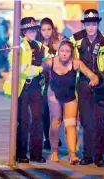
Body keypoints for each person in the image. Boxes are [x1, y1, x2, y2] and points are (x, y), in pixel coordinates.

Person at [70, 9, 104, 167]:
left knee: (100, 120)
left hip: (102, 85)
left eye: (93, 24)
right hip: (84, 84)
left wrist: (101, 77)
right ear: (84, 24)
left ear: (98, 24)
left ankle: (99, 156)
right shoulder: (75, 39)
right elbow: (67, 57)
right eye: (88, 24)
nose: (91, 27)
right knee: (86, 121)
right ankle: (87, 155)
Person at [41, 40, 99, 164]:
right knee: (56, 120)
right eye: (62, 51)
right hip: (54, 95)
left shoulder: (76, 63)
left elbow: (91, 75)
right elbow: (37, 70)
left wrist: (94, 78)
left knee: (70, 124)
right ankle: (54, 151)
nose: (64, 54)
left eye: (67, 51)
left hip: (70, 96)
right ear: (58, 51)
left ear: (71, 53)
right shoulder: (50, 62)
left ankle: (72, 155)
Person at [3, 17, 51, 163]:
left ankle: (36, 153)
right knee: (23, 121)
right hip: (23, 87)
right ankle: (21, 153)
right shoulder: (18, 46)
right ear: (23, 32)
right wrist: (41, 68)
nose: (33, 32)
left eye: (34, 29)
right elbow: (23, 70)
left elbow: (51, 58)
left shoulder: (40, 46)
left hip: (36, 86)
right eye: (29, 30)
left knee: (38, 120)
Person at [37, 17, 64, 150]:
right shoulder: (38, 43)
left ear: (52, 29)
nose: (46, 32)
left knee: (56, 112)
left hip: (58, 81)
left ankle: (54, 136)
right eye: (43, 30)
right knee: (44, 111)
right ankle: (48, 138)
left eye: (48, 29)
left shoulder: (59, 41)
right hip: (42, 81)